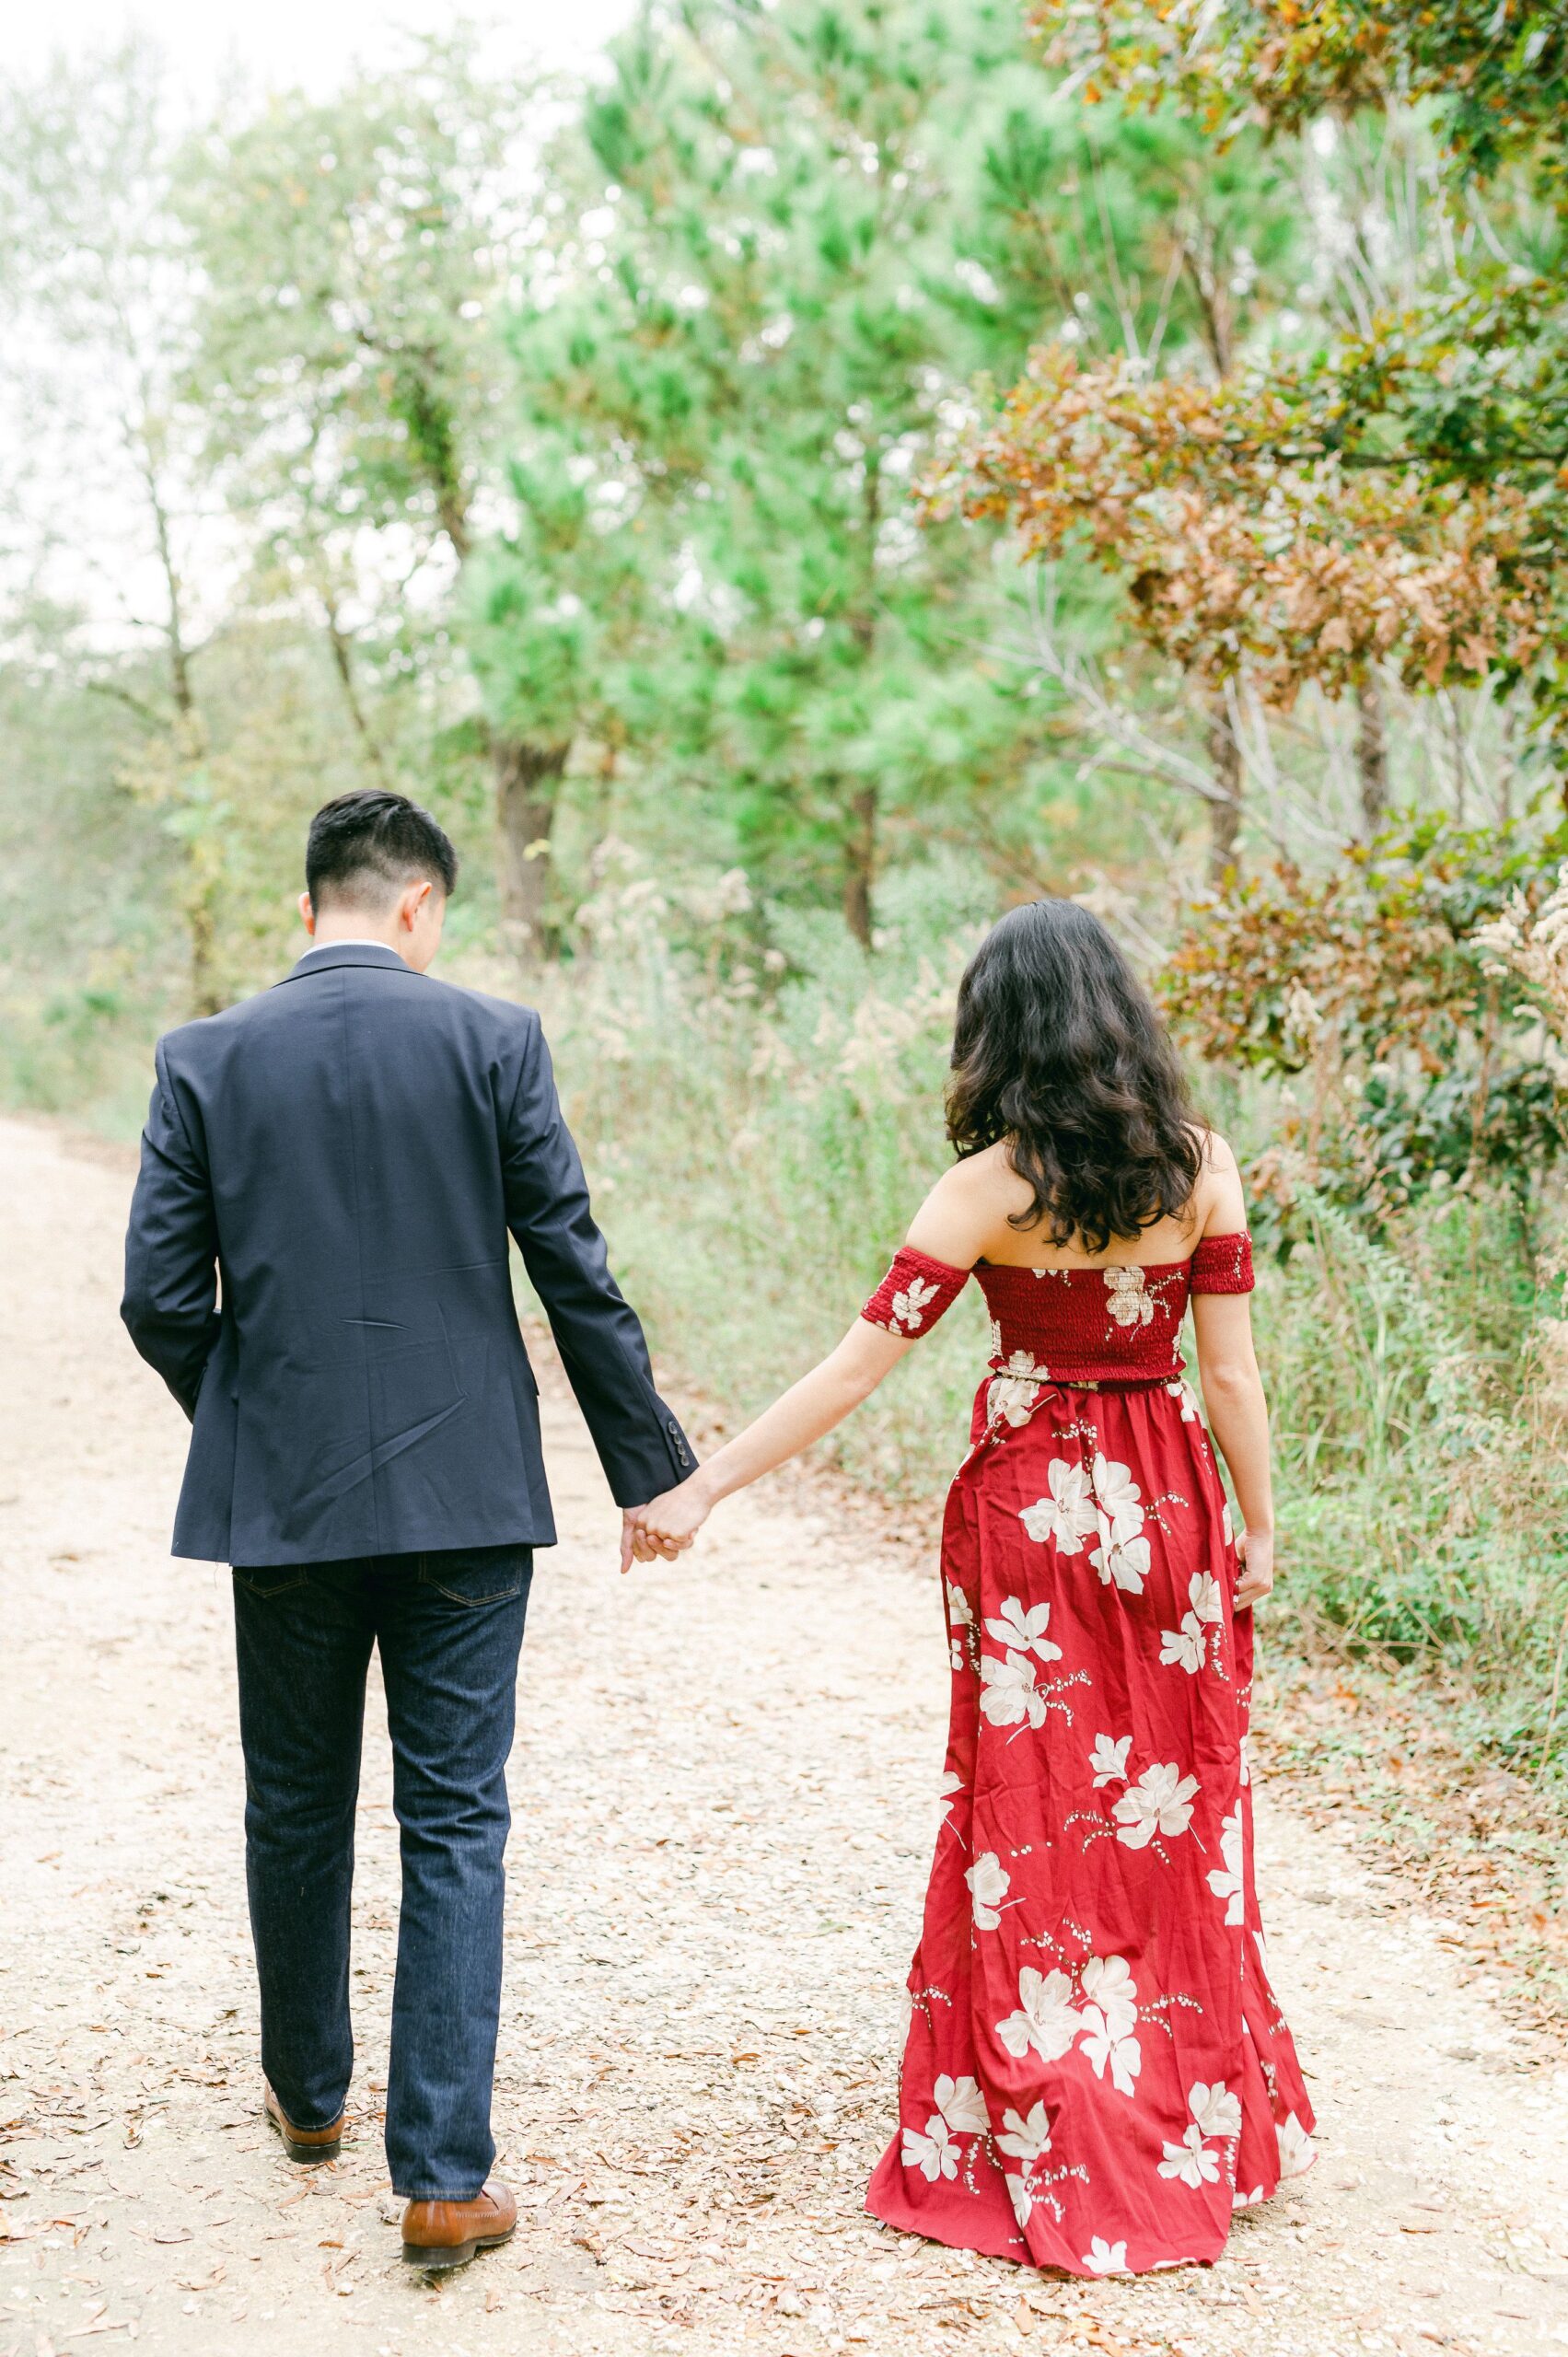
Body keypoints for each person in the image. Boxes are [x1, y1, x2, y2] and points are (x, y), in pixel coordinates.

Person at [630, 896, 1315, 2279]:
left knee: (1033, 1799)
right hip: (1167, 1501)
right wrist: (1260, 1522)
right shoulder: (1201, 1166)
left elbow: (855, 1367)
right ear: (1119, 1012)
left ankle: (1043, 2103)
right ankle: (1185, 2112)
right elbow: (1230, 1374)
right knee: (1173, 1800)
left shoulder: (987, 1189)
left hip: (1026, 1513)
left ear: (994, 1028)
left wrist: (706, 1485)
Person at [121, 789, 692, 2273]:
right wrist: (651, 1469)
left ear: (311, 910)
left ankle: (308, 2099)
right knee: (455, 1814)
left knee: (294, 1801)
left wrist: (250, 1422)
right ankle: (443, 2175)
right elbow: (572, 1266)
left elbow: (161, 1300)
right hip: (467, 1499)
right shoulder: (491, 1040)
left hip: (288, 1498)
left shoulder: (205, 1057)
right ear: (422, 909)